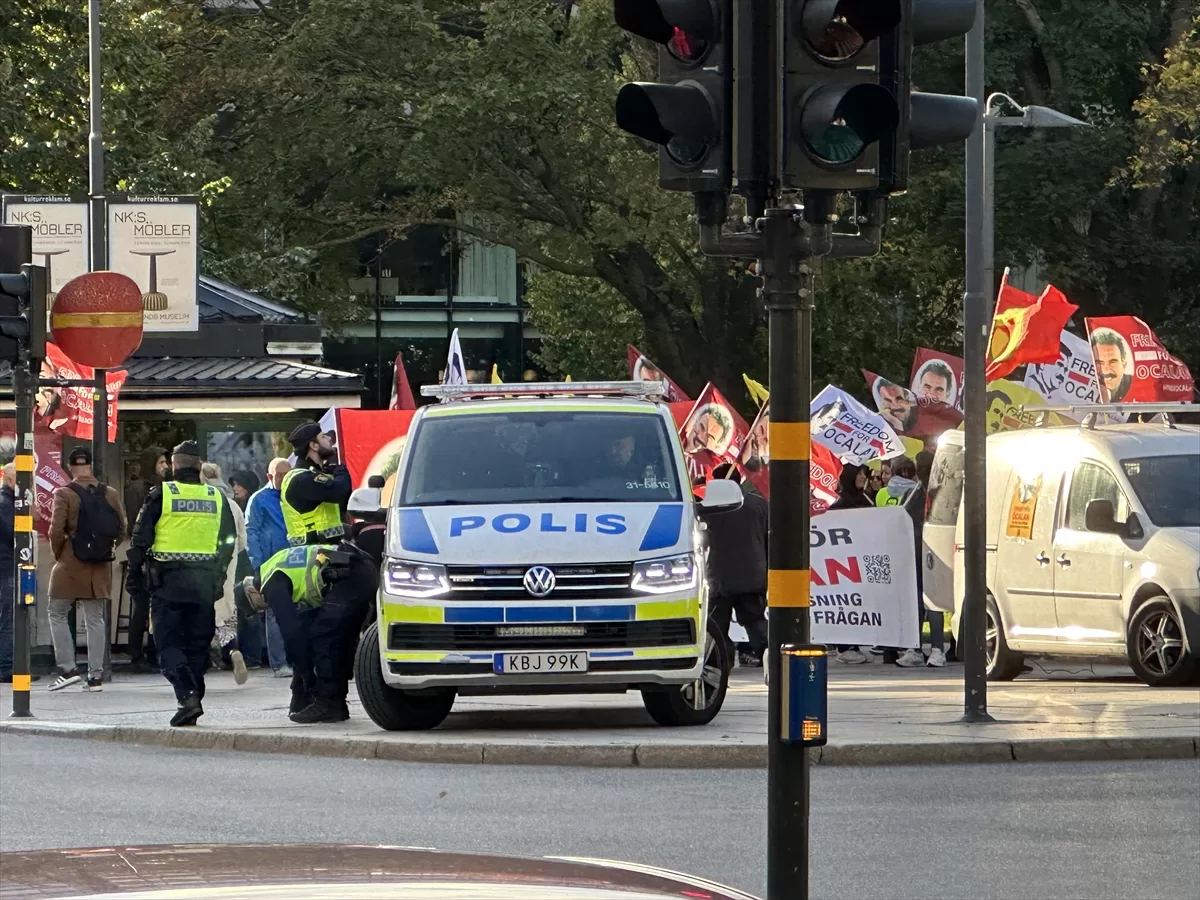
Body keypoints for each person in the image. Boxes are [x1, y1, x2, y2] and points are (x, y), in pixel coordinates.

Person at [127, 441, 236, 726]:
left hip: (168, 583)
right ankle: (192, 699)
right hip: (203, 583)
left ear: (174, 466)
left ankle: (187, 697)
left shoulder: (161, 494)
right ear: (198, 466)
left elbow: (141, 539)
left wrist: (134, 575)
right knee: (197, 645)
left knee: (168, 644)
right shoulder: (216, 497)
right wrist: (219, 577)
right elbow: (228, 541)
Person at [279, 421, 376, 723]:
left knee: (337, 635)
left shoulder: (314, 475)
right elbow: (341, 490)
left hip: (330, 562)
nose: (328, 439)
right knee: (322, 634)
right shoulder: (298, 479)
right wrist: (340, 467)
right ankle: (313, 697)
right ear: (311, 445)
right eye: (323, 436)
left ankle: (324, 700)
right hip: (315, 567)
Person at [46, 447, 127, 691]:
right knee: (96, 619)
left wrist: (61, 554)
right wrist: (105, 549)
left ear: (70, 467)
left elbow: (55, 531)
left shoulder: (65, 493)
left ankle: (68, 668)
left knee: (57, 612)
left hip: (70, 562)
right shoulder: (110, 493)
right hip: (100, 566)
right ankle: (95, 677)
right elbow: (122, 528)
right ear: (91, 466)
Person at [703, 463, 769, 669]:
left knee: (716, 626)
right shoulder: (759, 505)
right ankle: (771, 658)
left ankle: (722, 661)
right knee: (755, 621)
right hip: (753, 576)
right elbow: (769, 540)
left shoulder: (708, 508)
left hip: (719, 578)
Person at [874, 456, 925, 668]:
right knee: (914, 598)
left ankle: (889, 648)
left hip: (888, 548)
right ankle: (913, 645)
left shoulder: (882, 493)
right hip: (913, 548)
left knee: (891, 599)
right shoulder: (920, 492)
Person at [203, 462, 250, 684]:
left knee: (201, 613)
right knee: (225, 615)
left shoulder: (203, 501)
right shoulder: (232, 505)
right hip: (227, 569)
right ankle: (232, 650)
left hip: (202, 566)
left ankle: (202, 660)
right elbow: (242, 540)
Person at [245, 457, 292, 677]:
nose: (284, 479)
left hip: (294, 561)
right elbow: (251, 532)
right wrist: (258, 564)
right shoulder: (259, 500)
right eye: (279, 475)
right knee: (274, 612)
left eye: (287, 474)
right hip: (271, 563)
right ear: (269, 476)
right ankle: (279, 663)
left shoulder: (293, 496)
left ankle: (292, 659)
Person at [124, 447, 168, 672]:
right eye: (160, 462)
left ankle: (152, 652)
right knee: (141, 608)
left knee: (156, 609)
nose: (165, 467)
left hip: (159, 554)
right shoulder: (137, 489)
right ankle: (137, 654)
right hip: (143, 554)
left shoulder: (163, 489)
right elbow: (135, 524)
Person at [828, 464, 874, 665]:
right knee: (845, 602)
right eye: (859, 473)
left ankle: (854, 644)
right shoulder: (841, 502)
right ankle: (845, 646)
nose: (863, 477)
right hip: (845, 563)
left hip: (860, 559)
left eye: (865, 473)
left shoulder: (863, 498)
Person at [913, 450, 946, 667]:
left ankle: (934, 648)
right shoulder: (922, 492)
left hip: (931, 551)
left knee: (929, 600)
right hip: (925, 551)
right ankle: (926, 648)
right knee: (924, 600)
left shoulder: (933, 493)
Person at [0, 464, 15, 684]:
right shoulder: (6, 504)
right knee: (8, 617)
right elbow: (15, 533)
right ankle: (5, 667)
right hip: (6, 566)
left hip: (5, 565)